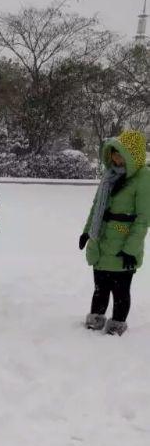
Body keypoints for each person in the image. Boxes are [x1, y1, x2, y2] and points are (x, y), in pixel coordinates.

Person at [79, 130, 150, 335]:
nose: (115, 157)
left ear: (132, 154)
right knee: (100, 289)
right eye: (113, 153)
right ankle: (95, 321)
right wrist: (86, 232)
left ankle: (117, 325)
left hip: (123, 246)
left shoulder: (143, 178)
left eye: (120, 153)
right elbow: (96, 207)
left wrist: (131, 249)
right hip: (100, 241)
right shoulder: (109, 175)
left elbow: (143, 219)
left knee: (120, 292)